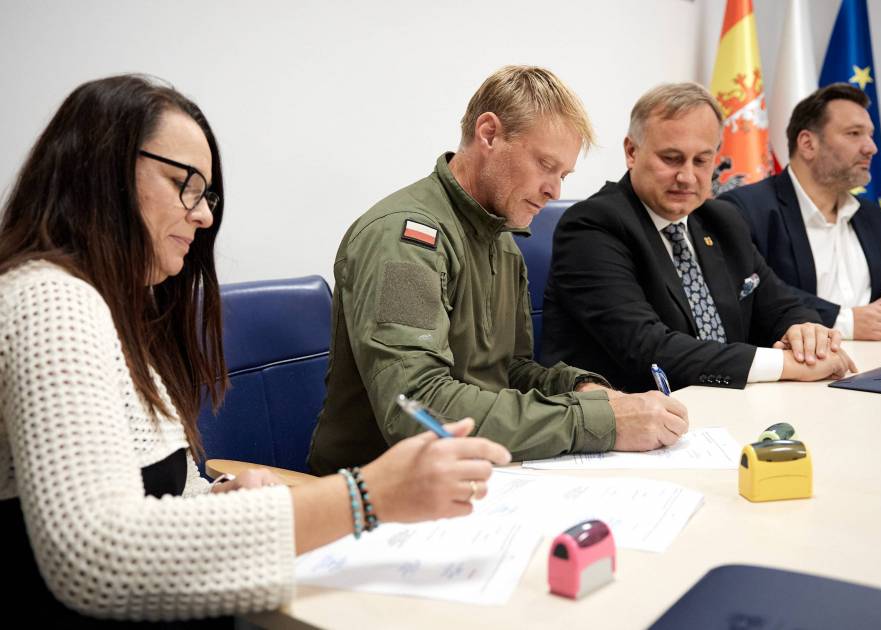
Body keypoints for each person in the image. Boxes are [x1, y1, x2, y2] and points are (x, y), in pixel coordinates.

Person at [0, 74, 510, 626]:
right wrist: (367, 495)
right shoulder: (49, 299)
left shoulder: (118, 311)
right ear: (101, 170)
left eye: (207, 194)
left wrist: (220, 496)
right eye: (184, 184)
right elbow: (97, 554)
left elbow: (160, 490)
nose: (204, 215)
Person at [308, 66, 689, 476]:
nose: (555, 190)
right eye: (545, 165)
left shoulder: (502, 241)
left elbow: (507, 371)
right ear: (488, 134)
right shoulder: (403, 240)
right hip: (374, 489)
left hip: (470, 476)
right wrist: (595, 421)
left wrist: (581, 388)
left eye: (562, 175)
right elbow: (419, 408)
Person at [542, 83, 856, 393]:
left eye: (702, 161)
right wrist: (784, 365)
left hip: (728, 405)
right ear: (632, 152)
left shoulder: (722, 220)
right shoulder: (593, 225)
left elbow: (781, 304)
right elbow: (649, 349)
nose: (687, 177)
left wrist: (806, 334)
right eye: (671, 158)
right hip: (635, 412)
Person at [719, 83, 881, 340]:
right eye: (854, 133)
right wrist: (847, 322)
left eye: (870, 135)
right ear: (808, 144)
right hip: (799, 362)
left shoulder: (876, 218)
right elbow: (754, 293)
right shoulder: (744, 211)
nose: (871, 148)